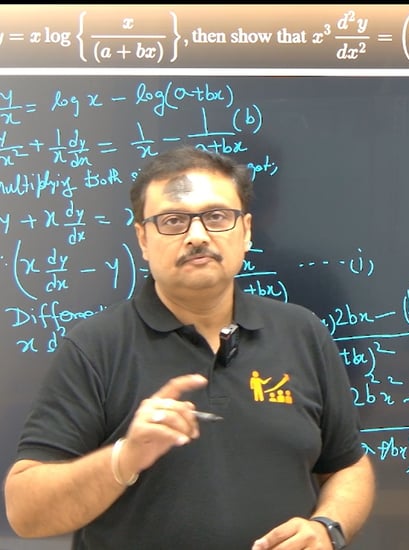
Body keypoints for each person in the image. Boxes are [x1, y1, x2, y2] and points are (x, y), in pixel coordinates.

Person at [3, 145, 375, 549]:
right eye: (173, 221)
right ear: (143, 239)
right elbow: (26, 513)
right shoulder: (95, 349)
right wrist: (123, 458)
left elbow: (348, 467)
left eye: (216, 217)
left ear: (246, 231)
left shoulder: (303, 333)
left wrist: (327, 527)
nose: (197, 236)